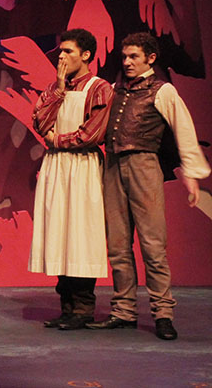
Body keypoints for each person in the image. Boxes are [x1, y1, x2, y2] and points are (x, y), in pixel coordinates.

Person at [87, 32, 210, 340]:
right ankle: (124, 310)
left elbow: (183, 130)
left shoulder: (162, 90)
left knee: (153, 246)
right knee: (117, 245)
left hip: (143, 165)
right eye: (125, 56)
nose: (127, 62)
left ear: (150, 59)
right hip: (114, 166)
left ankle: (163, 313)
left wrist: (192, 174)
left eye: (133, 57)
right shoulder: (116, 90)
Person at [29, 28, 113, 331]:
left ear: (86, 55)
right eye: (60, 52)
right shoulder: (56, 87)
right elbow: (39, 120)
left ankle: (83, 307)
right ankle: (66, 306)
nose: (61, 57)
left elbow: (93, 133)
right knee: (59, 232)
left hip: (82, 167)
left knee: (80, 233)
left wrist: (56, 140)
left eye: (68, 51)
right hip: (56, 167)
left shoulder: (99, 87)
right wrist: (60, 88)